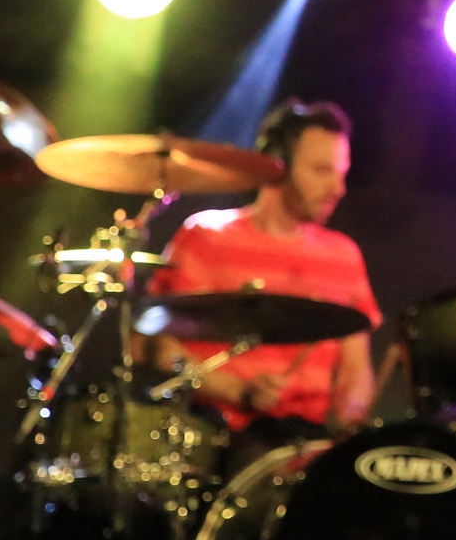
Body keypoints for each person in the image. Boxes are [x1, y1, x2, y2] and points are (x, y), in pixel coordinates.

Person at [146, 99, 379, 461]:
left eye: (342, 173)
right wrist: (239, 392)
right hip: (211, 439)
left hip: (303, 447)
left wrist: (352, 428)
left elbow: (356, 370)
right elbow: (160, 348)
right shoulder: (206, 236)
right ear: (276, 165)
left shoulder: (344, 256)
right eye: (322, 171)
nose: (338, 188)